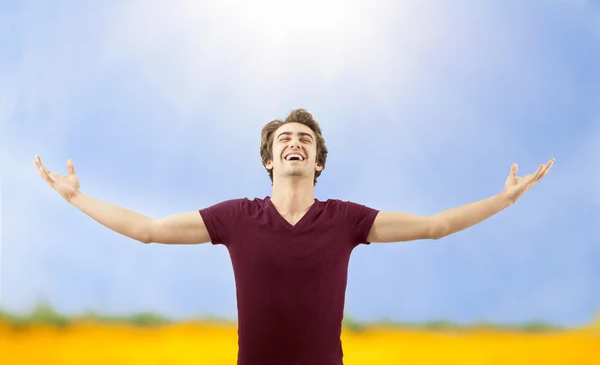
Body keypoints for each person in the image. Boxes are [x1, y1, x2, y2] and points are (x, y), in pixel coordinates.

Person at [34, 108, 554, 365]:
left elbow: (435, 226)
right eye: (285, 139)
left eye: (305, 139)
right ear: (269, 159)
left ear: (318, 161)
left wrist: (504, 199)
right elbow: (147, 231)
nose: (295, 143)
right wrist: (77, 198)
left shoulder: (347, 219)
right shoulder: (236, 216)